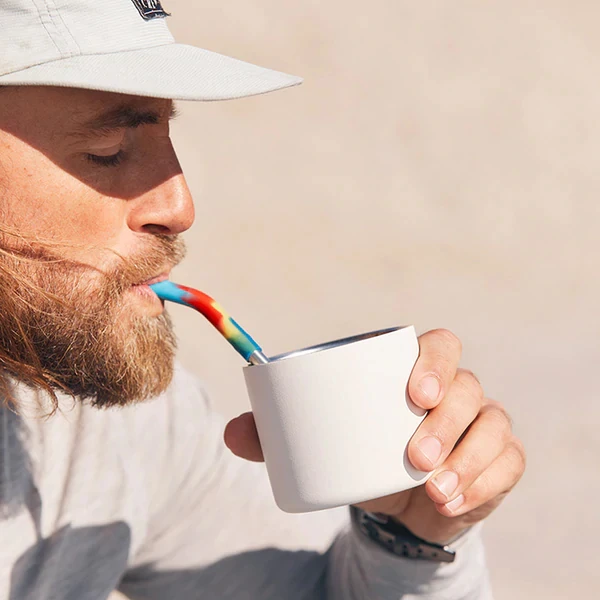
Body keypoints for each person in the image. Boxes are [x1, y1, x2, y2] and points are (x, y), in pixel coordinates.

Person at [0, 1, 525, 599]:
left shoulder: (114, 426)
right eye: (109, 150)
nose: (179, 207)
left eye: (165, 134)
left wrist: (408, 538)